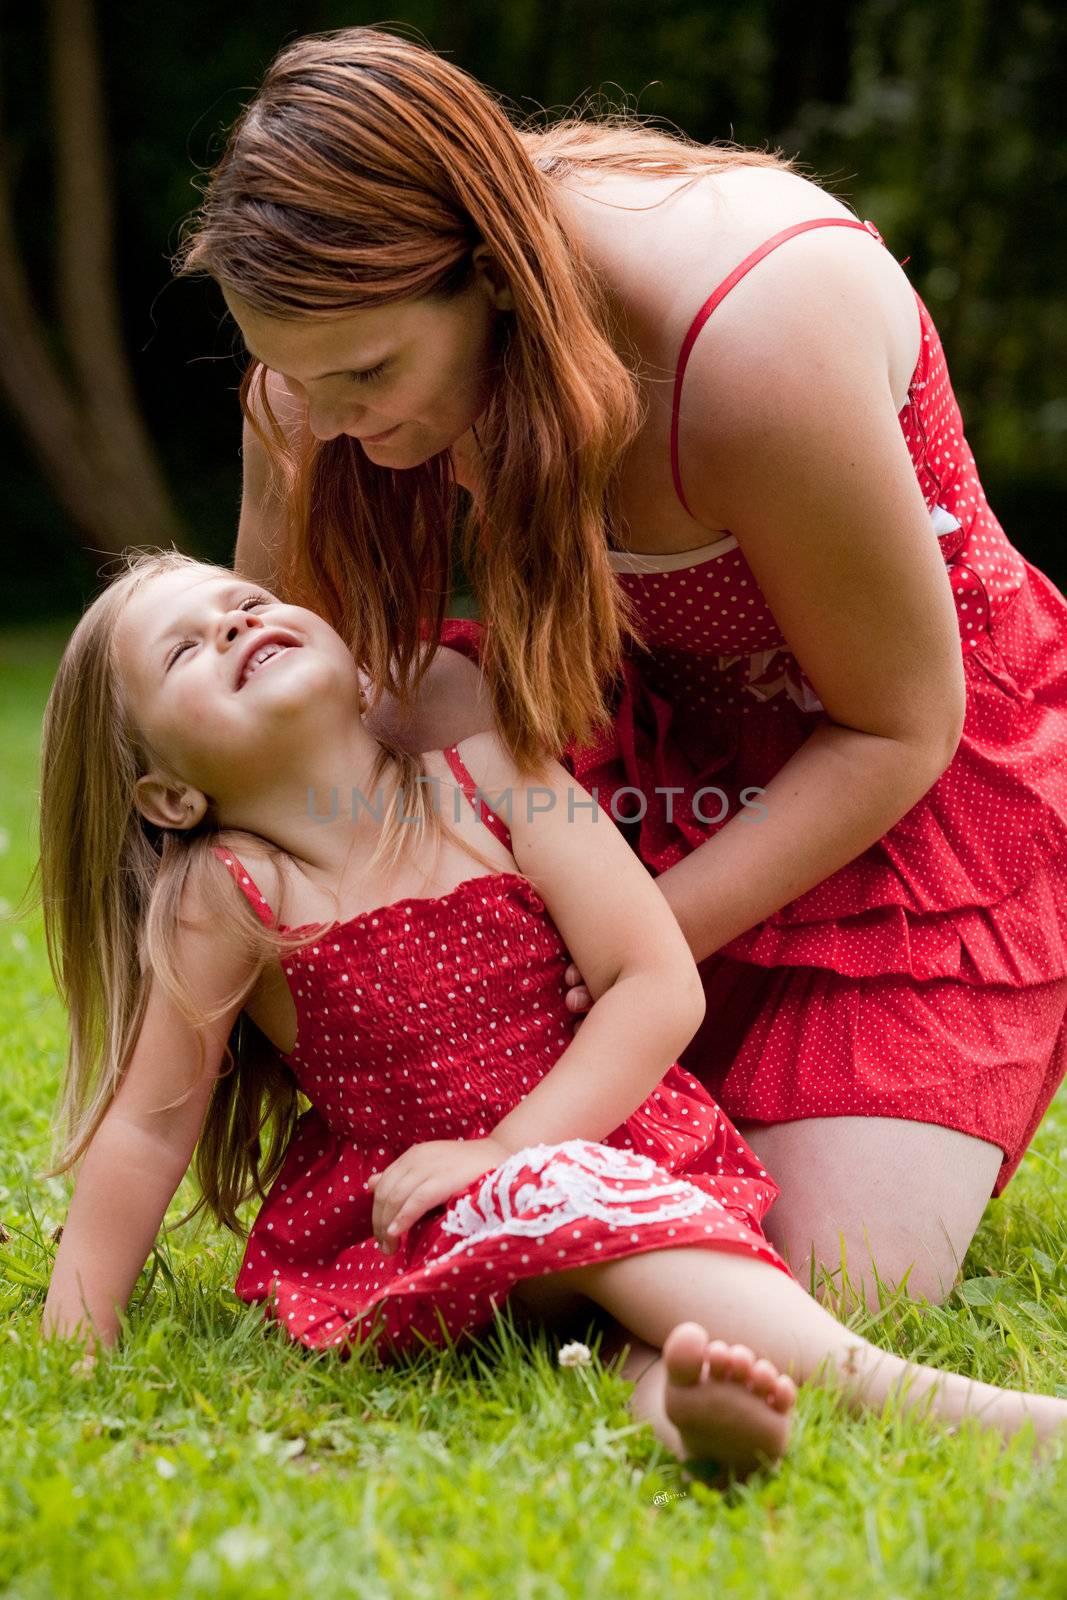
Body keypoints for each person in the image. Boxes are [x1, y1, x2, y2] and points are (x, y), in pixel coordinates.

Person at [173, 27, 1067, 1312]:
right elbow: (290, 724)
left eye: (366, 377)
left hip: (902, 811)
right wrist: (285, 453)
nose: (350, 428)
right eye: (306, 382)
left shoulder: (749, 340)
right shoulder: (335, 364)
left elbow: (900, 727)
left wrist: (626, 951)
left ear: (489, 274)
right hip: (640, 765)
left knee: (823, 1290)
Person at [36, 551, 1067, 1480]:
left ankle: (689, 1410)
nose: (234, 627)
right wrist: (76, 1339)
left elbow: (654, 980)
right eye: (186, 649)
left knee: (624, 1301)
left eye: (247, 602)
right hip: (426, 1213)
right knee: (558, 1191)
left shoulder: (500, 778)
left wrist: (512, 1143)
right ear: (168, 797)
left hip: (611, 1152)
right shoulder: (229, 892)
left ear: (356, 670)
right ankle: (946, 1407)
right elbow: (149, 1122)